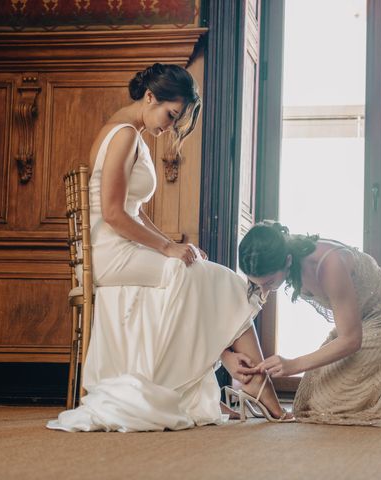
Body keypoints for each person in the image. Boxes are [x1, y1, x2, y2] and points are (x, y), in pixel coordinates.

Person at [47, 64, 290, 432]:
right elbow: (113, 214)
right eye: (170, 114)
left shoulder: (129, 134)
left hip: (119, 245)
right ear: (149, 97)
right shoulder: (125, 135)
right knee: (214, 279)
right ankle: (256, 386)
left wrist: (174, 245)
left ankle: (247, 380)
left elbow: (135, 211)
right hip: (111, 253)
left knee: (201, 271)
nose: (170, 126)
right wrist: (166, 249)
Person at [238, 221, 381, 427]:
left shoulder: (328, 264)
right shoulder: (274, 244)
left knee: (327, 407)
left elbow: (351, 340)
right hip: (358, 323)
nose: (264, 290)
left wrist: (292, 365)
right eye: (256, 283)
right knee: (308, 401)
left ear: (287, 261)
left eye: (268, 283)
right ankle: (374, 386)